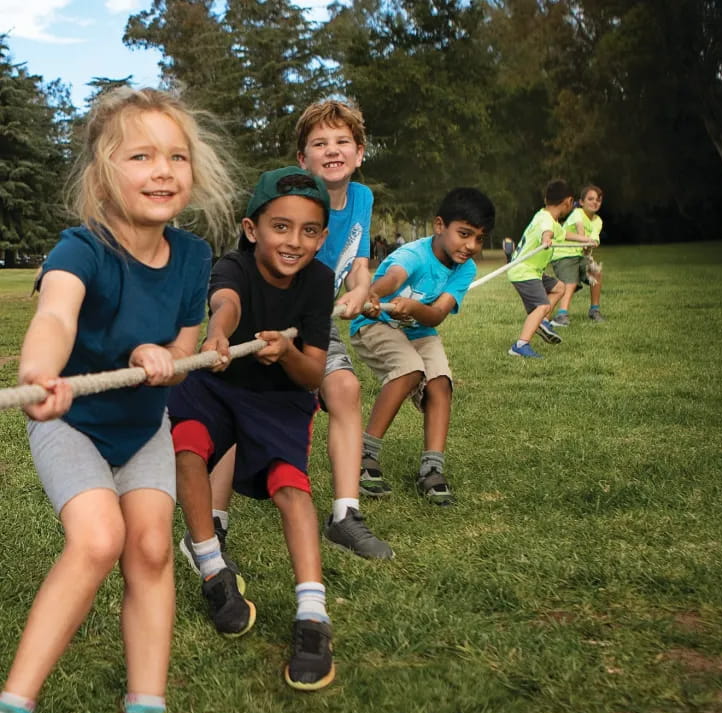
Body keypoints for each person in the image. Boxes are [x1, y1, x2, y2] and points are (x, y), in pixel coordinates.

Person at [0, 86, 235, 713]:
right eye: (140, 155)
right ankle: (11, 710)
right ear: (103, 173)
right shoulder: (83, 248)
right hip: (70, 420)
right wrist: (39, 372)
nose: (162, 169)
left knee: (154, 549)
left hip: (142, 429)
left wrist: (156, 352)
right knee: (99, 539)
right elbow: (54, 312)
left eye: (177, 156)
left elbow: (183, 346)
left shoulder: (192, 257)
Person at [194, 99, 392, 564]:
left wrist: (361, 291)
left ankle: (345, 515)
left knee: (343, 387)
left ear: (360, 153)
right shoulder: (285, 196)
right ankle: (215, 521)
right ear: (302, 158)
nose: (332, 150)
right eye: (319, 143)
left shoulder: (362, 199)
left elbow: (359, 266)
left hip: (315, 318)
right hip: (261, 315)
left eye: (342, 142)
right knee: (239, 401)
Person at [167, 167, 342, 691]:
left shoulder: (319, 281)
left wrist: (287, 351)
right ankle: (213, 570)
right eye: (280, 227)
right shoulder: (233, 265)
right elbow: (226, 303)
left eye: (309, 230)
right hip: (219, 385)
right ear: (251, 229)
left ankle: (313, 615)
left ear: (322, 236)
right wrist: (218, 334)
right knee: (188, 447)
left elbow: (314, 374)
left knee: (292, 486)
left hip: (281, 396)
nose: (294, 241)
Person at [350, 188, 495, 505]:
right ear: (440, 226)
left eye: (479, 238)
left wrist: (413, 309)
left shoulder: (465, 269)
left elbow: (438, 314)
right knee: (410, 371)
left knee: (440, 384)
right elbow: (391, 279)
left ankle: (432, 469)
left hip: (420, 326)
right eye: (464, 234)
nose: (471, 246)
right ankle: (364, 456)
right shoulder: (413, 255)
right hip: (376, 323)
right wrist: (373, 294)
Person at [506, 179, 574, 359]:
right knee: (542, 305)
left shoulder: (546, 216)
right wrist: (546, 239)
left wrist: (588, 241)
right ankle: (520, 345)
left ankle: (542, 321)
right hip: (524, 271)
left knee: (559, 288)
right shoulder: (546, 220)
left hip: (531, 270)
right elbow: (547, 232)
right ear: (568, 201)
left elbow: (564, 234)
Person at [551, 185, 606, 325]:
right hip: (563, 255)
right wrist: (586, 242)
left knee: (596, 271)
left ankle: (594, 310)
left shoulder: (598, 221)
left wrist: (588, 249)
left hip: (580, 255)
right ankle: (561, 315)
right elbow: (581, 233)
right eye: (591, 199)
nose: (595, 202)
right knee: (571, 281)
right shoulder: (577, 213)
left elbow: (592, 241)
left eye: (598, 200)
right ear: (582, 202)